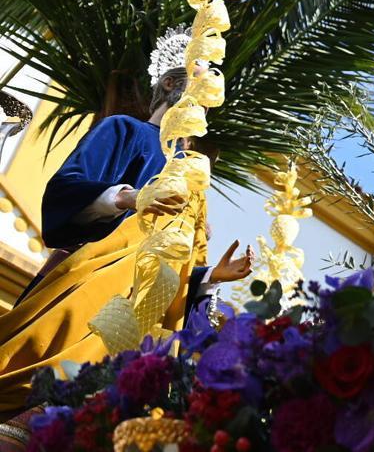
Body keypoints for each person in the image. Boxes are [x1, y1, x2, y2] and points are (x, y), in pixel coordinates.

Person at [0, 30, 253, 421]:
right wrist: (127, 197)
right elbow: (66, 189)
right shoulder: (123, 130)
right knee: (49, 389)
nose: (209, 90)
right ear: (170, 83)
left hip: (144, 309)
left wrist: (208, 277)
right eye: (201, 74)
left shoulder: (192, 174)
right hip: (89, 284)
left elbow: (177, 257)